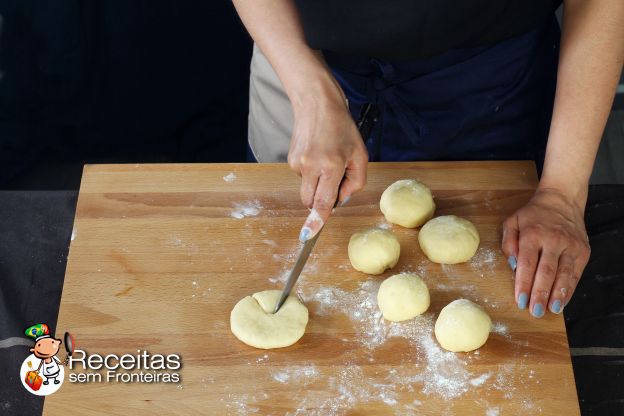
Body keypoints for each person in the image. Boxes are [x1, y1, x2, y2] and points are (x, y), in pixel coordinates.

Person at [232, 0, 624, 318]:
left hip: (487, 87)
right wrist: (310, 93)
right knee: (268, 243)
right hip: (295, 53)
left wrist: (561, 194)